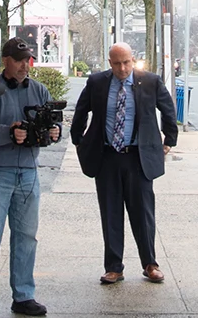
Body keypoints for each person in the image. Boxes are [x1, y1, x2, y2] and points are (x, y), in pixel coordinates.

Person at [70, 42, 177, 284]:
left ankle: (150, 264)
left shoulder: (150, 82)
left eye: (126, 62)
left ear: (132, 59)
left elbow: (168, 109)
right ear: (110, 63)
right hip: (107, 156)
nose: (122, 68)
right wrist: (78, 141)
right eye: (117, 63)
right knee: (110, 213)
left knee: (143, 213)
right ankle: (113, 267)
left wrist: (169, 139)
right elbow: (81, 111)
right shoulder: (97, 83)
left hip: (138, 157)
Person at [0, 36, 60, 318]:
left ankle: (23, 295)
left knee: (26, 236)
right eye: (19, 61)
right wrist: (8, 133)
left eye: (27, 60)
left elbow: (51, 123)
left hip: (29, 171)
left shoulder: (39, 90)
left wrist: (54, 132)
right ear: (5, 61)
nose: (25, 65)